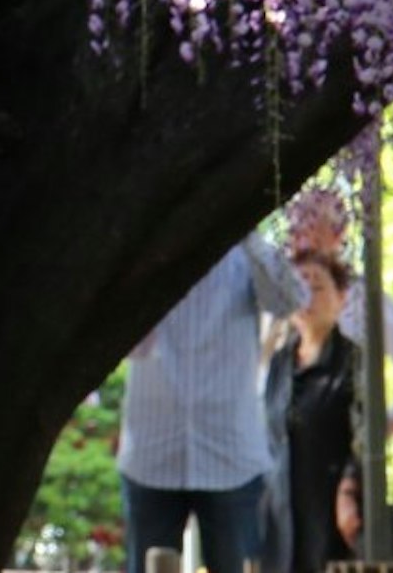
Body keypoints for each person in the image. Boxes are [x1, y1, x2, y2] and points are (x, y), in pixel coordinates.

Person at [123, 231, 297, 571]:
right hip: (152, 449)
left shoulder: (246, 256)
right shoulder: (145, 250)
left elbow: (289, 300)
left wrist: (247, 234)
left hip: (231, 455)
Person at [287, 188, 393, 438]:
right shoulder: (274, 289)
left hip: (334, 438)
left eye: (312, 225)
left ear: (338, 234)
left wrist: (385, 429)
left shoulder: (360, 296)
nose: (302, 238)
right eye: (295, 228)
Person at [264, 249, 367, 573]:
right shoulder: (279, 363)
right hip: (278, 516)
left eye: (318, 286)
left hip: (331, 513)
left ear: (341, 298)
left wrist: (350, 488)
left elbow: (365, 435)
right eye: (299, 285)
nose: (307, 295)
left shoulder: (353, 360)